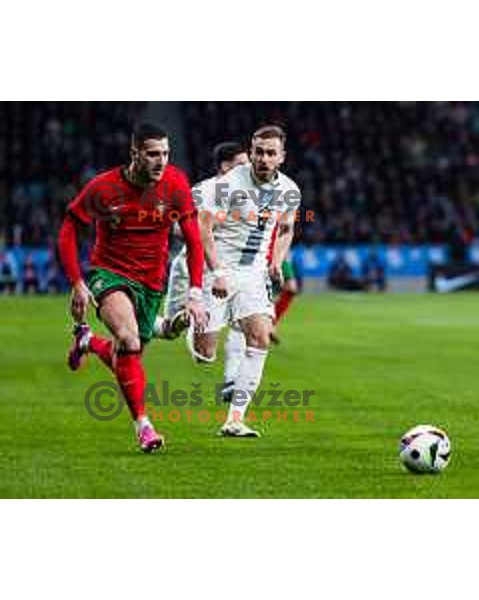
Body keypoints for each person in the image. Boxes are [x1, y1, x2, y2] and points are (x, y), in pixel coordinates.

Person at [58, 123, 207, 452]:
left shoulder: (176, 184)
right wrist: (79, 283)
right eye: (153, 154)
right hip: (108, 274)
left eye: (166, 153)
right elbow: (69, 229)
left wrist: (195, 294)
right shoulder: (103, 188)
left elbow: (195, 240)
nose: (161, 161)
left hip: (152, 282)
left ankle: (88, 341)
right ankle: (144, 426)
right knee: (128, 339)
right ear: (135, 154)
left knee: (127, 355)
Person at [193, 124, 301, 437]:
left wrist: (276, 263)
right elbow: (204, 230)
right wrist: (217, 273)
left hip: (253, 272)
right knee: (205, 354)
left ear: (281, 157)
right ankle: (184, 320)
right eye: (258, 152)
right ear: (250, 152)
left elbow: (285, 228)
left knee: (260, 335)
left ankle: (234, 419)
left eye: (270, 153)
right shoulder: (228, 184)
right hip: (218, 269)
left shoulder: (290, 190)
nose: (263, 158)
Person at [153, 141, 248, 342]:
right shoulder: (203, 191)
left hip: (226, 270)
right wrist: (204, 230)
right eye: (242, 164)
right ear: (225, 166)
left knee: (245, 322)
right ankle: (140, 318)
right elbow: (178, 227)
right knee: (171, 330)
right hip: (193, 267)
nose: (248, 169)